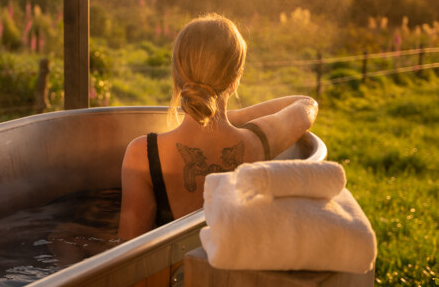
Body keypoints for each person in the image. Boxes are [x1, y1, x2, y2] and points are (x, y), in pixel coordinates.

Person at [118, 14, 318, 240]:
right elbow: (306, 105)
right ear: (236, 78)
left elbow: (127, 249)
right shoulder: (258, 141)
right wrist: (234, 117)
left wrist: (220, 115)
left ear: (176, 76)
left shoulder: (143, 154)